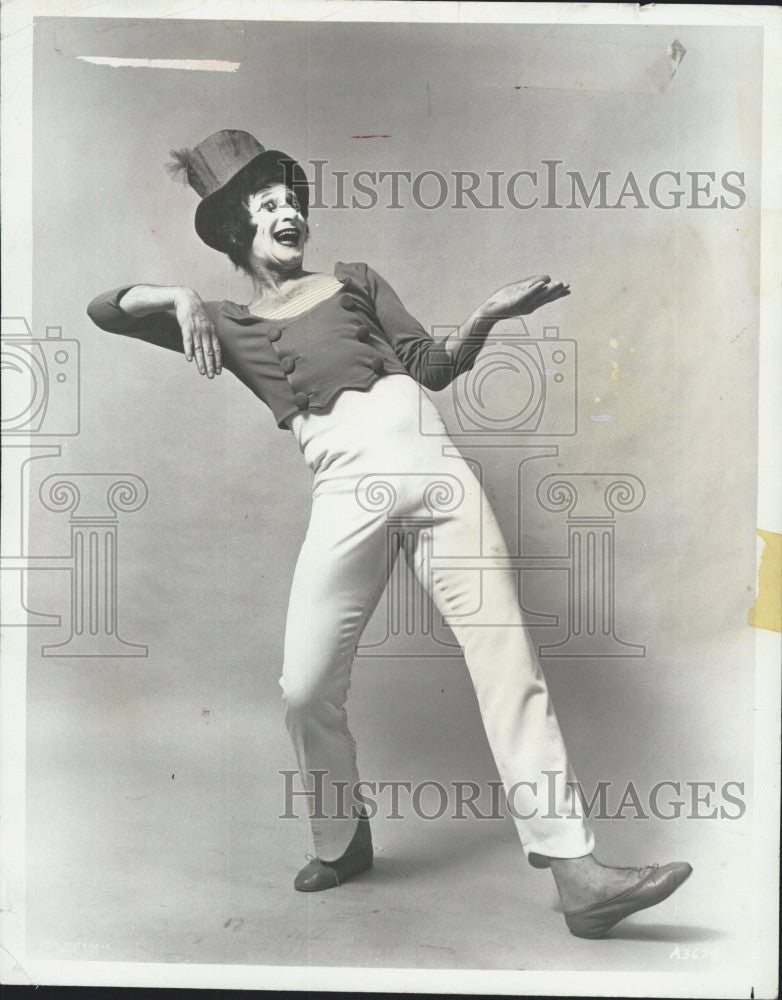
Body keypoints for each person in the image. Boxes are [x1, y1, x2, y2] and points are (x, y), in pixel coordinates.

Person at [87, 129, 692, 939]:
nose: (288, 210)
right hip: (346, 487)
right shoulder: (226, 322)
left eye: (291, 197)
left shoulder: (357, 282)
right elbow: (103, 310)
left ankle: (576, 873)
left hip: (438, 473)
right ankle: (343, 840)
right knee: (303, 689)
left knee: (508, 658)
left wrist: (485, 316)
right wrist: (177, 296)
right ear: (237, 228)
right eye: (266, 202)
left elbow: (433, 366)